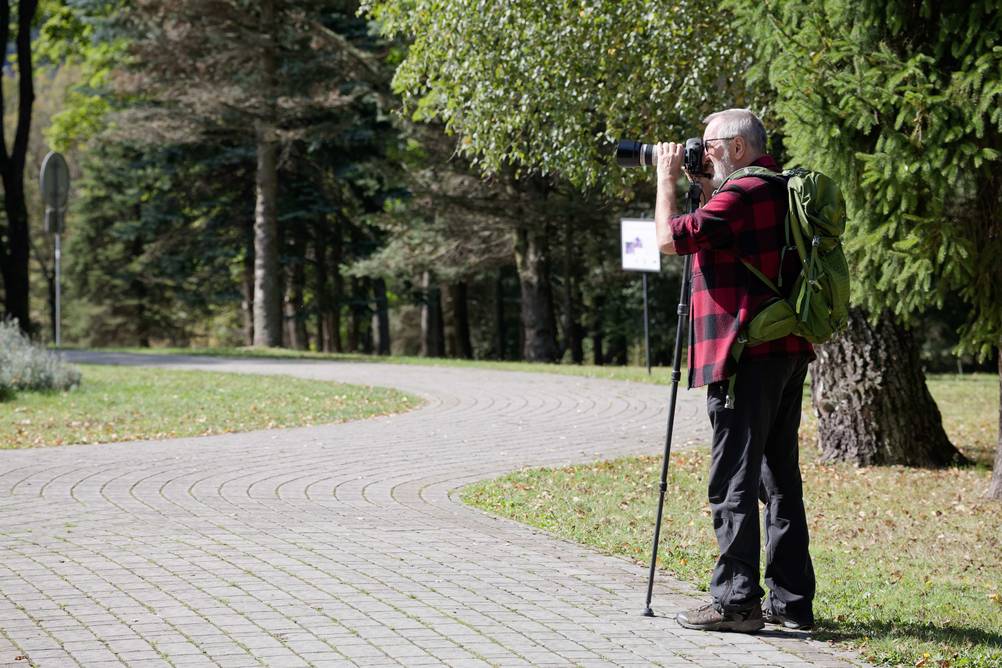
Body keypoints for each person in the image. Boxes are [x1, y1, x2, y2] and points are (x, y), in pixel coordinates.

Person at [653, 109, 816, 633]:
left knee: (734, 481)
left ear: (739, 148)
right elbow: (724, 238)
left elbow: (670, 239)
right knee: (779, 479)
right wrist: (703, 182)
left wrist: (666, 179)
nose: (701, 152)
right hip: (785, 350)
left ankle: (737, 602)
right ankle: (791, 604)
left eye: (709, 145)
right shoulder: (775, 188)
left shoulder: (743, 194)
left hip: (744, 357)